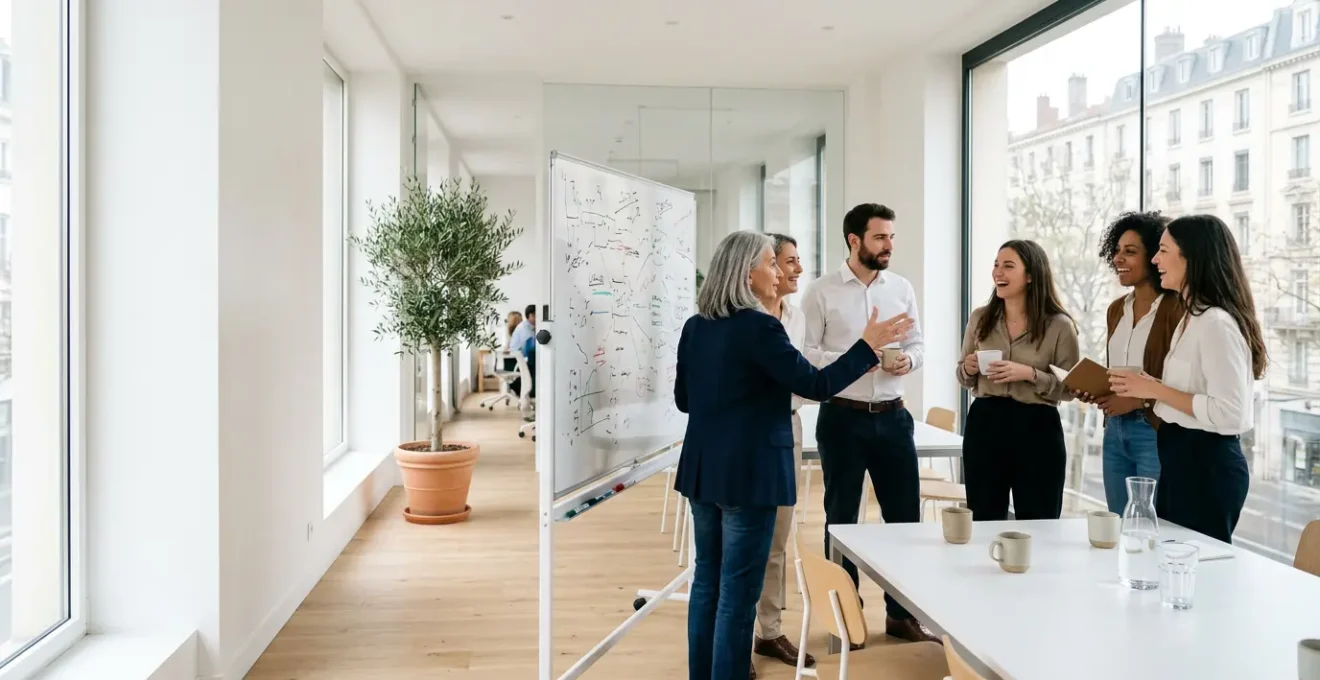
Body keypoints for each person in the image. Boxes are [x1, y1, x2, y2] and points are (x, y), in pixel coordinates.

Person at [674, 230, 911, 680]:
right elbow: (816, 386)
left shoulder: (696, 326)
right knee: (738, 593)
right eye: (771, 263)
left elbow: (684, 400)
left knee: (707, 583)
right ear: (747, 275)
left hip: (703, 470)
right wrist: (866, 348)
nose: (778, 272)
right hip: (751, 475)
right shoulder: (760, 327)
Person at [800, 203, 936, 644]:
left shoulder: (901, 287)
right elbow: (806, 354)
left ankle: (901, 615)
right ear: (854, 240)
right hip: (842, 417)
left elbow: (918, 344)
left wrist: (908, 361)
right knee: (841, 518)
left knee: (904, 519)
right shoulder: (821, 292)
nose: (889, 245)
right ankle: (845, 615)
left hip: (894, 417)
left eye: (891, 237)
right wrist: (861, 356)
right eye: (880, 237)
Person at [1109, 215, 1266, 544]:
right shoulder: (1192, 318)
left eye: (1163, 251)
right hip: (1180, 457)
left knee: (1195, 567)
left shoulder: (1216, 323)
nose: (1155, 260)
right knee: (1166, 559)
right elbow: (1189, 390)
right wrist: (1147, 385)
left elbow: (1231, 413)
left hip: (1205, 466)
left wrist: (1155, 390)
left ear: (1191, 257)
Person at [957, 239, 1079, 522]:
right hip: (985, 424)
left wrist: (1030, 375)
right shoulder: (980, 318)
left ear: (1031, 275)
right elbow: (962, 375)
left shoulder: (1060, 326)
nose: (998, 272)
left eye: (1008, 266)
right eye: (996, 265)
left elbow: (1071, 388)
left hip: (1038, 428)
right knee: (983, 518)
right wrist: (969, 368)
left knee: (1040, 521)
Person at [1084, 212, 1185, 513]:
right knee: (1118, 521)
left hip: (1153, 430)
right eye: (1116, 251)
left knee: (1151, 522)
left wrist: (1138, 400)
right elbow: (1117, 372)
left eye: (1130, 251)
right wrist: (1095, 390)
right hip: (1114, 430)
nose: (1118, 258)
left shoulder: (1176, 309)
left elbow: (1184, 381)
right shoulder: (1116, 309)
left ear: (1153, 256)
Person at [749, 234, 813, 674]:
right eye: (786, 261)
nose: (795, 270)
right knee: (741, 541)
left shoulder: (797, 317)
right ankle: (735, 641)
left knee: (777, 537)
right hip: (749, 431)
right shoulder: (742, 318)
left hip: (787, 427)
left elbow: (801, 380)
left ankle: (769, 631)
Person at [509, 304, 536, 396]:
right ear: (531, 315)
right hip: (517, 358)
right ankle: (517, 386)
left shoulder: (530, 327)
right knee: (534, 363)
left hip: (521, 356)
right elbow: (529, 348)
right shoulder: (524, 328)